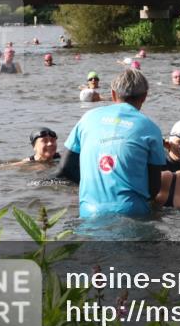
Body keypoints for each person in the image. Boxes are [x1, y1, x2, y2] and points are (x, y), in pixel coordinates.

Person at [59, 69, 167, 218]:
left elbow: (65, 167)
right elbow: (154, 188)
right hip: (132, 211)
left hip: (89, 211)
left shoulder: (87, 118)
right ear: (144, 97)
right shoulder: (150, 128)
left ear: (113, 94)